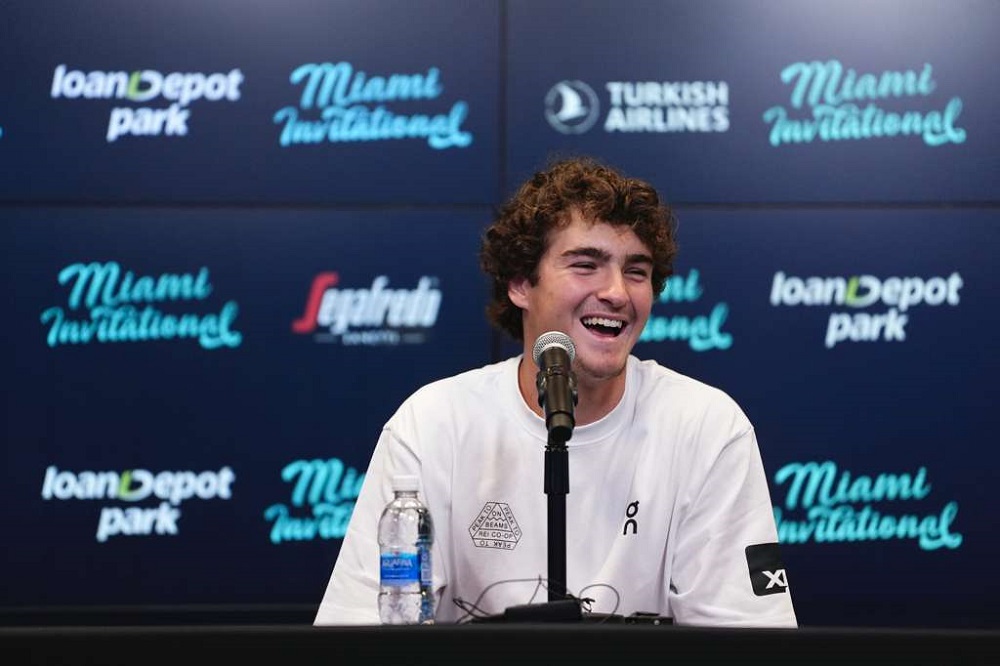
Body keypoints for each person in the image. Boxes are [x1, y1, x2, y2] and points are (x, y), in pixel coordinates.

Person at [314, 155, 798, 628]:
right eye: (586, 265)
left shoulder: (707, 426)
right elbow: (361, 631)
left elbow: (748, 642)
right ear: (520, 284)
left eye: (636, 271)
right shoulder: (432, 423)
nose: (617, 292)